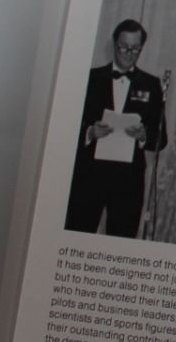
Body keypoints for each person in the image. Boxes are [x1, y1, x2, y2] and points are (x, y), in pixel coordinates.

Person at [67, 19, 167, 237]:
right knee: (76, 234)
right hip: (89, 175)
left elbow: (161, 138)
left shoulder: (152, 85)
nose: (129, 54)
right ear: (114, 44)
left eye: (135, 49)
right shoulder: (90, 79)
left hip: (128, 182)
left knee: (121, 240)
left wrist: (143, 136)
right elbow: (65, 128)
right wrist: (90, 132)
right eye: (124, 47)